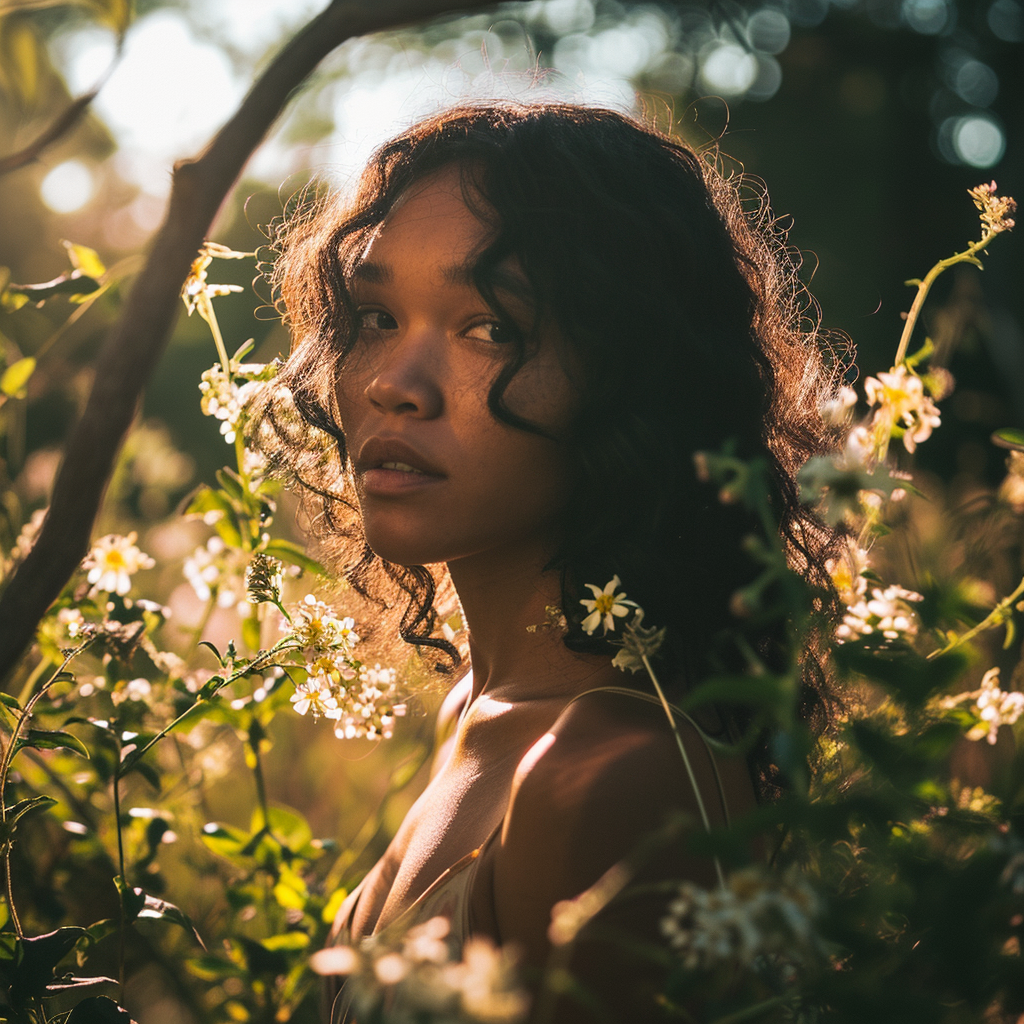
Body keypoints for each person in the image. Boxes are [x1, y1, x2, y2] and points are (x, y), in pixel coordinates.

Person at [260, 102, 841, 1022]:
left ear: (629, 378)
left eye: (490, 327)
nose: (389, 384)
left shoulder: (604, 780)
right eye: (374, 315)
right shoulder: (483, 707)